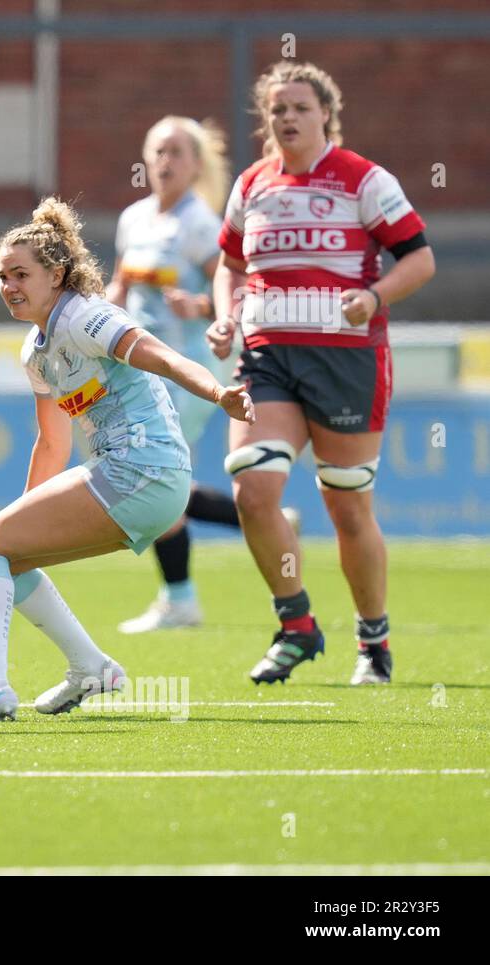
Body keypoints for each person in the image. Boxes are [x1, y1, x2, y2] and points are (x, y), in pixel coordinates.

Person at [0, 198, 253, 723]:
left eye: (21, 274)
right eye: (3, 275)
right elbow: (51, 444)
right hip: (142, 482)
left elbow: (163, 356)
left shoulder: (85, 317)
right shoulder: (36, 350)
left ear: (56, 274)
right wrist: (19, 521)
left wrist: (218, 392)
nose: (9, 286)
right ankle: (89, 667)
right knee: (4, 553)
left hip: (144, 470)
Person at [207, 61, 434, 686]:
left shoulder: (365, 180)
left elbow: (420, 258)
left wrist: (376, 296)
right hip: (268, 356)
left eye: (300, 107)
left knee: (347, 507)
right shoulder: (252, 184)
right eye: (277, 108)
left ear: (325, 114)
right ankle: (296, 623)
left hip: (346, 361)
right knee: (252, 488)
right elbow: (228, 264)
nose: (287, 118)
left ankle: (374, 640)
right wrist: (226, 316)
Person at [107, 115, 251, 633]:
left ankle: (181, 599)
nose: (165, 162)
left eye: (176, 153)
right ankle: (256, 514)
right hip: (141, 369)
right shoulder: (135, 219)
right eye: (158, 151)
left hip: (190, 369)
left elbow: (230, 289)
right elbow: (120, 285)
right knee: (157, 476)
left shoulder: (199, 224)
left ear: (195, 165)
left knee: (153, 472)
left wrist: (203, 308)